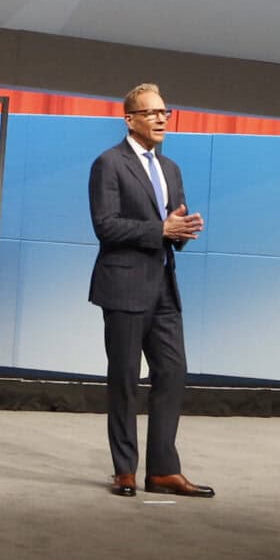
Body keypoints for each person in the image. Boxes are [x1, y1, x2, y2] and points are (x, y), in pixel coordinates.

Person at [87, 83, 212, 499]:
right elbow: (105, 226)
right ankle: (125, 470)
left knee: (172, 373)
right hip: (123, 286)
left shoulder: (170, 168)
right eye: (152, 113)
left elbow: (172, 224)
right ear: (130, 120)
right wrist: (159, 229)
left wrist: (182, 231)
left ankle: (163, 470)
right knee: (125, 379)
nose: (161, 119)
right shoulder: (109, 164)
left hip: (163, 288)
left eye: (165, 112)